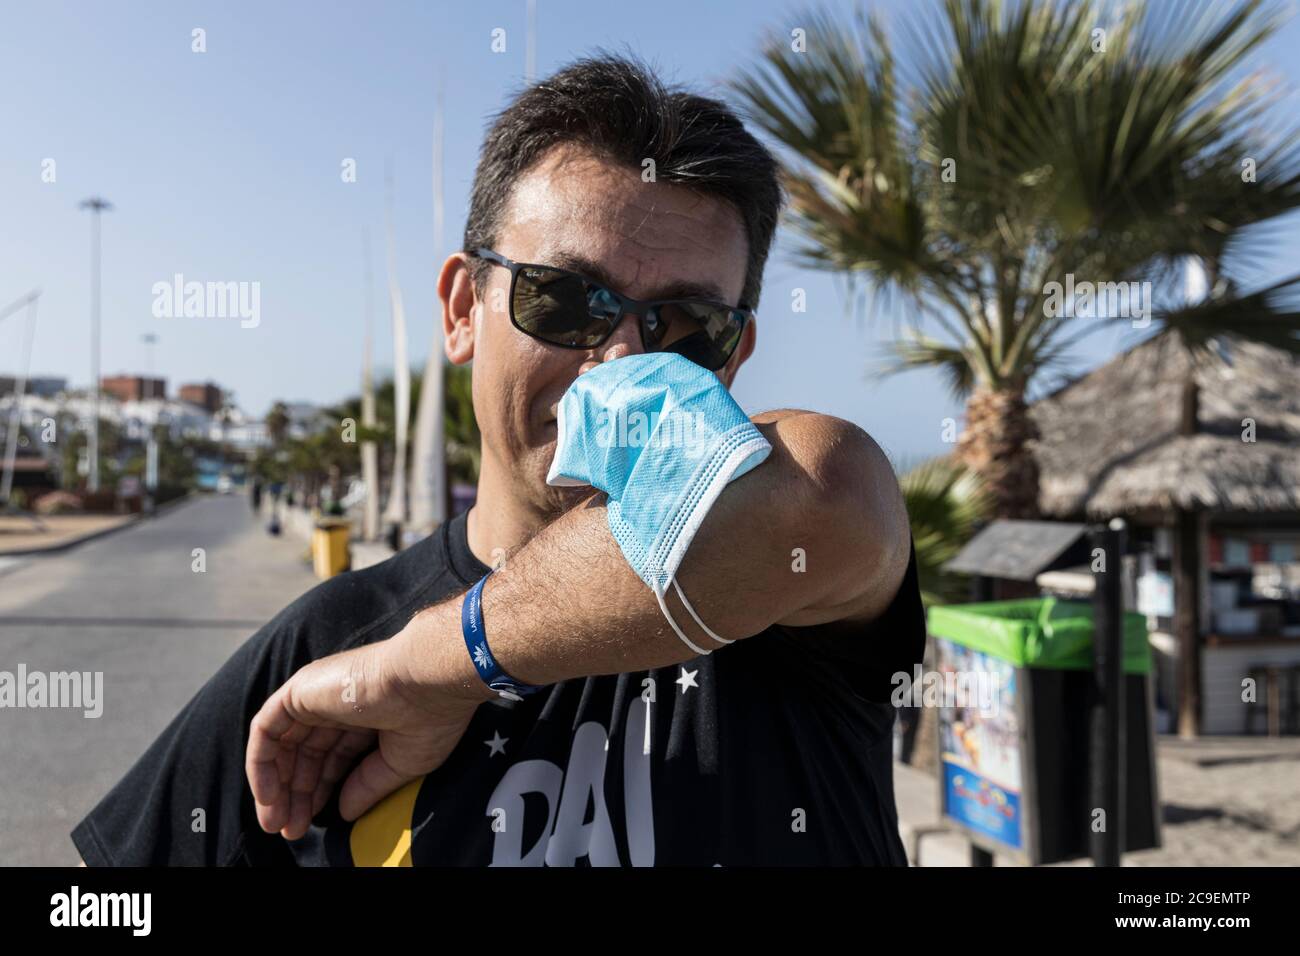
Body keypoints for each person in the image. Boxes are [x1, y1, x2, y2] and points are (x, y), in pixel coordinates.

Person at [72, 54, 923, 867]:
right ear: (461, 311)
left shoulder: (795, 617)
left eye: (688, 325)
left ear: (733, 359)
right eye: (562, 298)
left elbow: (827, 491)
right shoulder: (327, 659)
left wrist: (443, 663)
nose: (623, 361)